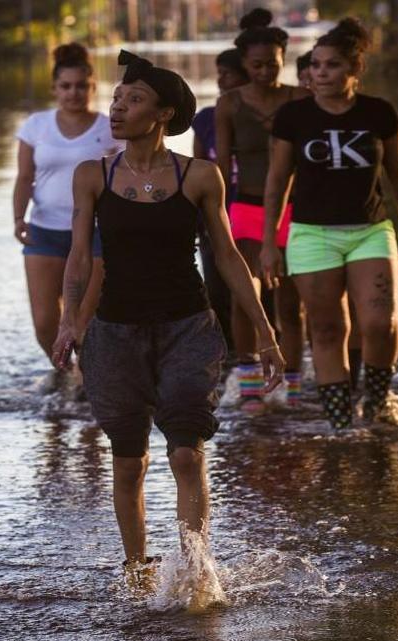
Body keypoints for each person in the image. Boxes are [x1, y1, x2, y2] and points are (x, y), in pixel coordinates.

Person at [52, 51, 285, 591]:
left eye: (132, 100)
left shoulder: (199, 177)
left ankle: (196, 572)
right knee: (129, 462)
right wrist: (69, 321)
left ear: (162, 114)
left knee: (185, 451)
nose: (117, 108)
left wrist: (267, 334)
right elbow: (81, 257)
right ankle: (137, 572)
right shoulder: (93, 175)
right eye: (115, 99)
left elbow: (227, 256)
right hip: (114, 332)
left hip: (187, 328)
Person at [261, 18, 398, 429]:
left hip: (370, 230)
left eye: (330, 65)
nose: (320, 73)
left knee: (379, 323)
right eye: (315, 65)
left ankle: (380, 404)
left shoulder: (378, 113)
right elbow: (278, 181)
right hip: (311, 234)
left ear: (353, 70)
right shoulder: (293, 117)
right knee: (328, 329)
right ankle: (341, 424)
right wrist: (268, 242)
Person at [215, 8, 311, 413]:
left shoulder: (300, 99)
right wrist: (212, 216)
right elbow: (220, 168)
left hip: (295, 209)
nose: (264, 71)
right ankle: (251, 383)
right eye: (255, 65)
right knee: (244, 296)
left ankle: (292, 386)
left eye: (272, 64)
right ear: (244, 64)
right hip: (246, 207)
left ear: (283, 59)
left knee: (291, 301)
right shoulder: (229, 104)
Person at [13, 43, 120, 365]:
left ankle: (89, 387)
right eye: (65, 86)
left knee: (84, 321)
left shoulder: (111, 128)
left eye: (81, 86)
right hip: (45, 231)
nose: (73, 93)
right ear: (54, 88)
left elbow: (122, 181)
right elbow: (23, 177)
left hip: (96, 234)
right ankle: (64, 375)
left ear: (93, 87)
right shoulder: (36, 126)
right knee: (46, 323)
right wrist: (19, 218)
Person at [192, 49, 249, 357]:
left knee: (257, 292)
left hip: (252, 214)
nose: (220, 81)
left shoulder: (260, 117)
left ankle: (259, 350)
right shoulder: (205, 120)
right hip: (215, 218)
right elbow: (198, 167)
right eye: (219, 73)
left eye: (227, 74)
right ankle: (228, 357)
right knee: (216, 289)